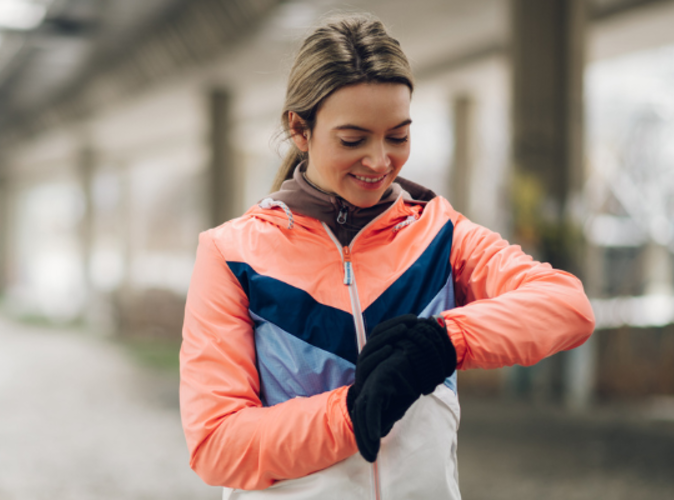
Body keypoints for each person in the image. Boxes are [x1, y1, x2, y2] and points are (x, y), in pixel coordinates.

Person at [179, 14, 595, 500]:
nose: (379, 161)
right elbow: (216, 445)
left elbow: (568, 307)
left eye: (397, 136)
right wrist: (352, 413)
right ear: (299, 129)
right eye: (353, 140)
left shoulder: (440, 234)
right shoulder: (231, 254)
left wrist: (443, 342)